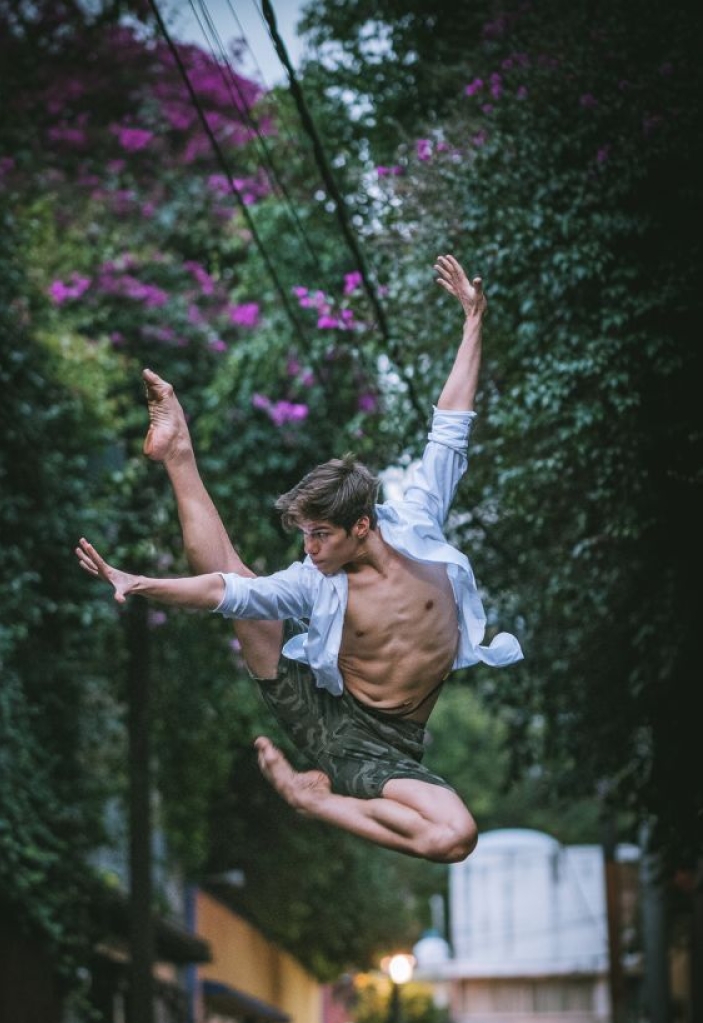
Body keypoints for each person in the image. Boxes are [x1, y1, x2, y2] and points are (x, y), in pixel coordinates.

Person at [76, 254, 522, 863]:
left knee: (453, 839)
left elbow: (450, 426)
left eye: (319, 536)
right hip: (326, 718)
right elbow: (224, 593)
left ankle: (314, 798)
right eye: (304, 535)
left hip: (395, 740)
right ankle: (178, 450)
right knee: (241, 585)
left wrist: (473, 320)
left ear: (361, 525)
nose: (307, 550)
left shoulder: (420, 524)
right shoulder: (314, 583)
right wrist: (142, 582)